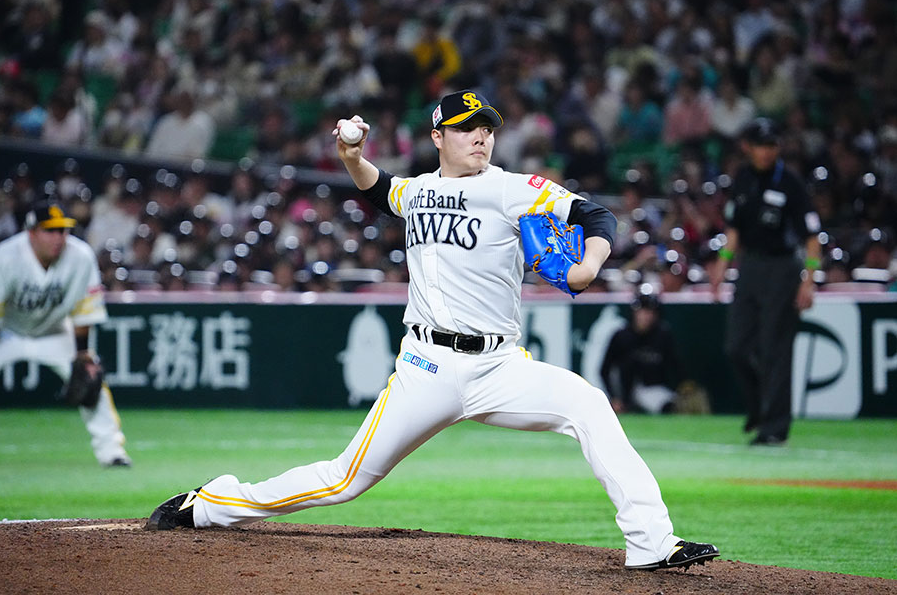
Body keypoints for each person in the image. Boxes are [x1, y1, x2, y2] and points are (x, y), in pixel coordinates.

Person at [146, 89, 718, 571]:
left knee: (588, 405)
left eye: (487, 128)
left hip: (498, 366)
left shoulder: (511, 188)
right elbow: (378, 189)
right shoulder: (417, 190)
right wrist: (351, 155)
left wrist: (588, 265)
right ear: (438, 135)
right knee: (344, 480)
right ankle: (212, 504)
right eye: (467, 128)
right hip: (426, 367)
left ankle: (651, 543)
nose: (481, 137)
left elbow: (596, 215)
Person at [709, 117, 822, 445]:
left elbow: (811, 237)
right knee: (736, 347)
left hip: (782, 268)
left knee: (776, 349)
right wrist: (722, 266)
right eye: (761, 145)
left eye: (772, 145)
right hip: (750, 266)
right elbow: (734, 229)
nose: (766, 151)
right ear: (749, 147)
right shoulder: (743, 178)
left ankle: (775, 428)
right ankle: (760, 404)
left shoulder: (791, 183)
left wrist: (809, 280)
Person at [0, 200, 131, 467]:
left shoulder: (80, 256)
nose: (58, 237)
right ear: (31, 233)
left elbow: (84, 310)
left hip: (55, 331)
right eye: (50, 230)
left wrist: (82, 355)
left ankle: (112, 451)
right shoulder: (5, 256)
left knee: (91, 379)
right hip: (7, 332)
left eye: (62, 230)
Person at [600, 291, 682, 414]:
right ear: (634, 312)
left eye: (650, 312)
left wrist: (681, 389)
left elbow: (675, 366)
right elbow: (605, 370)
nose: (646, 316)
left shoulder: (663, 335)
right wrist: (614, 398)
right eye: (642, 311)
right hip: (624, 392)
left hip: (655, 389)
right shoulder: (621, 336)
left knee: (668, 405)